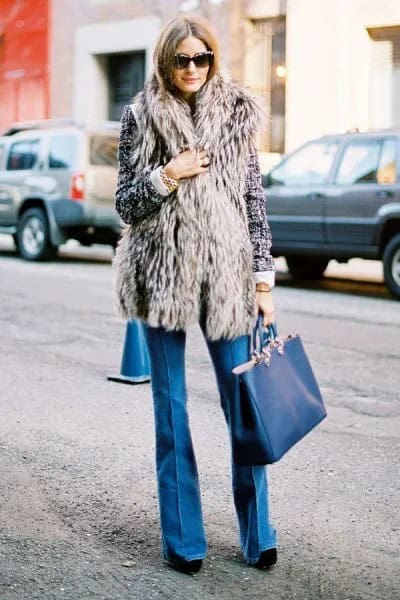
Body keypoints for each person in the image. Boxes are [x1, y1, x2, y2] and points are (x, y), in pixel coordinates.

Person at [114, 15, 277, 574]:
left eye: (201, 58)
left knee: (246, 408)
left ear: (213, 57)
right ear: (165, 60)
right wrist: (169, 174)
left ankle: (258, 532)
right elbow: (125, 205)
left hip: (228, 278)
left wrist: (263, 282)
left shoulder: (235, 113)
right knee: (171, 409)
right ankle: (184, 540)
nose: (191, 69)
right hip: (162, 277)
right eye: (181, 60)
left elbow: (254, 201)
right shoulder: (140, 115)